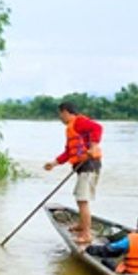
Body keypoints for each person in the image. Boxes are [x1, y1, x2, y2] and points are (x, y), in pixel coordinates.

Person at [44, 102, 103, 244]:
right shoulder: (71, 129)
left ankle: (86, 234)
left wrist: (93, 147)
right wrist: (54, 163)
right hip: (82, 166)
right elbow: (68, 152)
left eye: (60, 114)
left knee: (83, 200)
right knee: (79, 198)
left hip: (89, 165)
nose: (60, 117)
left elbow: (98, 127)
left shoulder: (79, 122)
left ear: (66, 112)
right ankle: (82, 225)